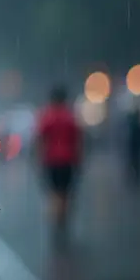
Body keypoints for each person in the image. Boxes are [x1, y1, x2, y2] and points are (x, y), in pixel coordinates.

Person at [35, 86, 82, 241]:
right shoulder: (70, 117)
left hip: (51, 160)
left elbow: (40, 139)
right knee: (65, 192)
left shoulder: (47, 116)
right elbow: (78, 141)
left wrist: (38, 158)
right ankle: (62, 218)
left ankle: (56, 218)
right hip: (68, 160)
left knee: (54, 192)